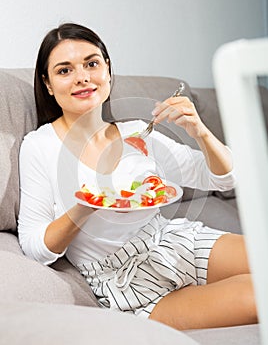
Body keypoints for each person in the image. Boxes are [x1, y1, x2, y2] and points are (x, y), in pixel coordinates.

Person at [18, 22, 257, 330]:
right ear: (48, 84)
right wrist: (85, 206)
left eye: (91, 63)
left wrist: (201, 133)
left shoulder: (138, 134)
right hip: (125, 280)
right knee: (256, 297)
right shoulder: (40, 146)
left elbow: (225, 179)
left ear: (107, 69)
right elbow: (36, 248)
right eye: (65, 71)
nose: (82, 77)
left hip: (173, 241)